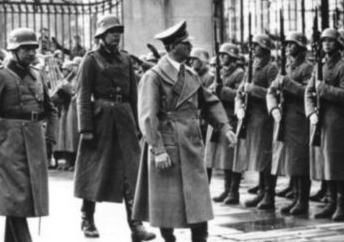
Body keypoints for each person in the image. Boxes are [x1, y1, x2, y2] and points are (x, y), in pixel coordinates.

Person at [133, 21, 236, 242]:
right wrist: (158, 149)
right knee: (167, 206)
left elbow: (208, 102)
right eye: (184, 43)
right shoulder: (154, 77)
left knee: (198, 200)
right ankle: (168, 238)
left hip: (191, 144)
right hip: (166, 145)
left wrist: (225, 126)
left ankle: (200, 238)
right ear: (172, 47)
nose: (189, 46)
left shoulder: (190, 74)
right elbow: (148, 116)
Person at [73, 15, 155, 241]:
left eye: (118, 31)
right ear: (101, 35)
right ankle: (87, 218)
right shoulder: (90, 60)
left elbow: (133, 94)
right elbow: (82, 95)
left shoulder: (126, 59)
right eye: (111, 32)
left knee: (131, 173)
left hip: (124, 118)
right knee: (95, 171)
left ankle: (136, 225)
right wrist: (85, 127)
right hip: (100, 121)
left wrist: (138, 123)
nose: (116, 35)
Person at [0, 28, 57, 242]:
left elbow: (51, 110)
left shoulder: (37, 75)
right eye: (25, 49)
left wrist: (51, 138)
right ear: (14, 51)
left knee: (25, 197)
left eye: (33, 48)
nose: (31, 53)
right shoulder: (0, 76)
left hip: (34, 140)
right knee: (14, 196)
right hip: (8, 142)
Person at [305, 28, 344, 221]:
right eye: (324, 41)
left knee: (338, 164)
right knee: (327, 162)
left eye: (331, 41)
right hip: (323, 119)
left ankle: (342, 205)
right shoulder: (321, 65)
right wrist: (311, 112)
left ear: (338, 44)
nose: (326, 44)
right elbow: (309, 91)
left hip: (338, 120)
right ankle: (331, 202)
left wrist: (323, 89)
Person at [267, 31, 313, 215]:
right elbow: (272, 89)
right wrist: (273, 108)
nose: (288, 47)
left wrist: (288, 84)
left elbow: (309, 93)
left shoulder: (307, 68)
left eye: (292, 44)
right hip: (287, 118)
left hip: (300, 119)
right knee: (292, 161)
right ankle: (295, 197)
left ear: (301, 47)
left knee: (300, 161)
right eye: (286, 44)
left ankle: (303, 200)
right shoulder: (287, 66)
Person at [233, 34, 279, 210]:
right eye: (253, 46)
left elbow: (274, 92)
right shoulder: (252, 67)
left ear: (265, 48)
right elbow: (240, 90)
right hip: (252, 116)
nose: (253, 48)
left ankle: (269, 194)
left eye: (257, 45)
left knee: (266, 157)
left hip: (265, 117)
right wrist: (240, 106)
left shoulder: (271, 68)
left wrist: (256, 90)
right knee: (259, 157)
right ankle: (262, 192)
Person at [206, 43, 244, 204]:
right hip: (218, 117)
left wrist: (222, 91)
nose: (221, 58)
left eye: (225, 55)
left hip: (231, 117)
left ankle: (233, 191)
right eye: (220, 55)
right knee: (222, 157)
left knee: (232, 157)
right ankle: (226, 189)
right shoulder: (219, 72)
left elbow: (240, 95)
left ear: (233, 57)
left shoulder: (239, 73)